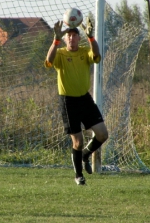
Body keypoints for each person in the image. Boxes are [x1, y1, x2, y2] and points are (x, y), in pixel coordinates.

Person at [44, 17, 108, 185]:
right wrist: (55, 40)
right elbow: (49, 61)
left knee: (102, 134)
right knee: (77, 142)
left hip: (85, 99)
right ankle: (78, 176)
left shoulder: (84, 52)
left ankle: (87, 155)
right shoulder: (60, 53)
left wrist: (91, 37)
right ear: (65, 39)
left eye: (75, 35)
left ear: (79, 38)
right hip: (68, 102)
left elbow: (96, 54)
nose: (72, 38)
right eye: (69, 36)